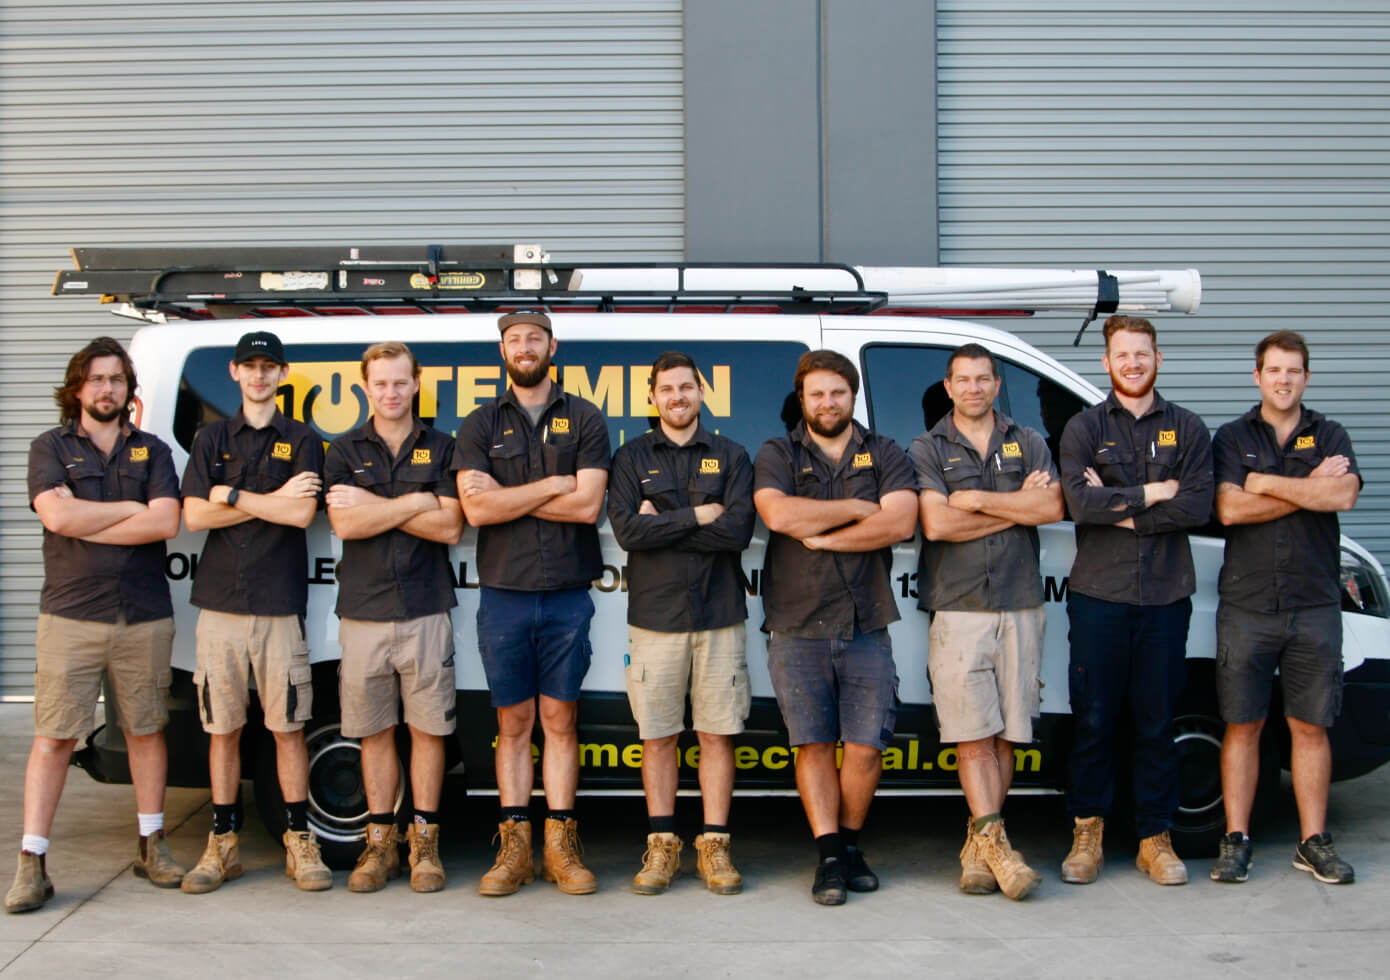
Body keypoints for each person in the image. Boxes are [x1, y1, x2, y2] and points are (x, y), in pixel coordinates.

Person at [7, 337, 184, 913]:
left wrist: (88, 520)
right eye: (96, 379)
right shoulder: (50, 447)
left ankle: (151, 846)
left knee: (145, 731)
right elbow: (54, 514)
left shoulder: (153, 451)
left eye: (116, 379)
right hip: (71, 613)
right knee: (55, 736)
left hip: (143, 613)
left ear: (129, 390)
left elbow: (166, 522)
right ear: (77, 388)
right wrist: (129, 512)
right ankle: (32, 862)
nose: (106, 388)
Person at [454, 310, 611, 897]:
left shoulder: (586, 418)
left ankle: (561, 847)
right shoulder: (478, 424)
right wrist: (551, 484)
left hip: (568, 596)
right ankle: (514, 847)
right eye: (514, 339)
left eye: (534, 338)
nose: (525, 348)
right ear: (503, 351)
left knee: (560, 721)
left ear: (552, 347)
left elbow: (587, 508)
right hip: (505, 597)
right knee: (513, 724)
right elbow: (477, 511)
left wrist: (509, 494)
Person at [753, 349, 917, 906]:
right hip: (797, 620)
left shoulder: (885, 451)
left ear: (853, 397)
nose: (827, 403)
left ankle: (849, 845)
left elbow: (900, 519)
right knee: (814, 745)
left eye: (837, 393)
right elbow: (778, 515)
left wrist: (825, 535)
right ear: (802, 400)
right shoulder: (778, 451)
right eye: (816, 394)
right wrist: (858, 507)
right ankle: (829, 856)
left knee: (866, 747)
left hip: (867, 619)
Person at [1057, 314, 1213, 886]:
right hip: (1099, 597)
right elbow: (1078, 504)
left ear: (1158, 358)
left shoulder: (1190, 429)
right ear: (1107, 362)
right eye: (1122, 354)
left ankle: (1155, 837)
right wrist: (1151, 494)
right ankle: (1087, 834)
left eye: (1142, 353)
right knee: (1093, 720)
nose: (1132, 363)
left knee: (1156, 722)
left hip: (1166, 599)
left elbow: (1197, 507)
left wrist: (1117, 508)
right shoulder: (1082, 428)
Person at [178, 331, 331, 894]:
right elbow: (193, 516)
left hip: (277, 606)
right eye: (251, 366)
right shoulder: (210, 437)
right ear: (235, 373)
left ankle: (299, 840)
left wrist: (231, 496)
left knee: (288, 729)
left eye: (270, 366)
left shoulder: (304, 440)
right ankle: (222, 844)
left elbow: (299, 516)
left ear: (283, 375)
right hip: (218, 607)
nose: (260, 375)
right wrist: (266, 500)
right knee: (223, 731)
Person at [911, 343, 1063, 900]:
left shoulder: (1029, 442)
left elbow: (1049, 509)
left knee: (1006, 733)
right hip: (959, 605)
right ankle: (999, 847)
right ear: (948, 388)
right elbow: (937, 526)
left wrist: (972, 498)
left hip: (1021, 602)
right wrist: (1010, 507)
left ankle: (979, 850)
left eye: (983, 379)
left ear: (997, 385)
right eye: (963, 380)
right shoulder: (927, 446)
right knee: (972, 734)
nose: (973, 388)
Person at [1209, 330, 1360, 885]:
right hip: (1248, 604)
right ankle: (1236, 839)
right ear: (1257, 376)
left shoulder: (1331, 434)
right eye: (1274, 370)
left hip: (1314, 602)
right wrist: (1304, 486)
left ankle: (1312, 840)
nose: (1284, 380)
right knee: (1243, 724)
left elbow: (1341, 495)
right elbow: (1227, 508)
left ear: (1306, 377)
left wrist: (1264, 484)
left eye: (1294, 371)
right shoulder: (1231, 437)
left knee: (1309, 726)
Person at [607, 351, 755, 896]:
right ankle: (663, 846)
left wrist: (661, 521)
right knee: (659, 737)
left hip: (720, 617)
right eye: (667, 389)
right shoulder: (630, 458)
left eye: (686, 388)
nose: (677, 397)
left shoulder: (731, 455)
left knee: (718, 735)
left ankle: (714, 846)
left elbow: (737, 532)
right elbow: (627, 533)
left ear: (701, 393)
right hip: (656, 619)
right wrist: (697, 515)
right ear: (653, 397)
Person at [324, 341, 463, 894]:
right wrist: (418, 502)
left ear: (416, 384)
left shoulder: (444, 447)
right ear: (365, 388)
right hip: (363, 611)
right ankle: (380, 844)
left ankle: (424, 845)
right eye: (380, 383)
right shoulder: (341, 450)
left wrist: (378, 506)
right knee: (374, 732)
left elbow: (452, 527)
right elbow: (347, 527)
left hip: (428, 607)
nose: (391, 392)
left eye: (400, 382)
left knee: (429, 731)